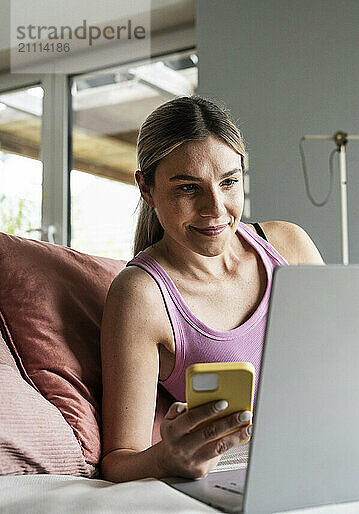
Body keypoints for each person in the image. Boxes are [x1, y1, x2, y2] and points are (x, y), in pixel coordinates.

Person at [100, 96, 324, 483]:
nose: (215, 208)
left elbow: (354, 354)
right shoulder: (141, 295)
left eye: (229, 182)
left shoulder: (289, 245)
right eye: (189, 188)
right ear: (147, 189)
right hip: (248, 476)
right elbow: (119, 459)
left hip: (331, 448)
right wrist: (166, 459)